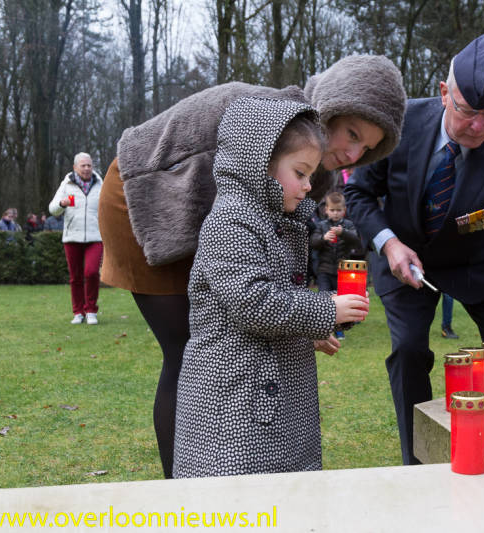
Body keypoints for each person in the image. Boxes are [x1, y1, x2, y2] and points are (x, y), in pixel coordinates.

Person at [98, 55, 406, 479]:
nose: (353, 153)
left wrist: (304, 322)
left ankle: (245, 465)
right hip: (143, 199)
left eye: (367, 148)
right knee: (192, 349)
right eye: (352, 133)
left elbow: (271, 263)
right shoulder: (256, 111)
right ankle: (189, 484)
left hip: (215, 226)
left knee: (238, 338)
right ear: (331, 106)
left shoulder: (310, 169)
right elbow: (245, 284)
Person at [345, 33, 484, 465]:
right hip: (404, 259)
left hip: (478, 263)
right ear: (445, 94)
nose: (479, 127)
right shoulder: (399, 125)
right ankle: (418, 460)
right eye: (468, 112)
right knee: (409, 351)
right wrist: (389, 245)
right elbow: (359, 196)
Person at [173, 98, 369, 478]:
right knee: (235, 500)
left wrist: (305, 335)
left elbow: (268, 308)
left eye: (311, 174)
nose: (309, 186)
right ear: (259, 163)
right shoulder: (231, 221)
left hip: (261, 394)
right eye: (300, 172)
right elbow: (254, 303)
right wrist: (325, 311)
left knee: (278, 496)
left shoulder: (268, 219)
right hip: (231, 403)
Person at [48, 152, 104, 325]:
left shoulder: (100, 184)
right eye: (83, 165)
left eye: (89, 165)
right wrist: (61, 204)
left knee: (92, 272)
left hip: (95, 236)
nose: (87, 168)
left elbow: (108, 208)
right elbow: (52, 209)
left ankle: (91, 310)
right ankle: (78, 312)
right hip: (72, 236)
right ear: (75, 167)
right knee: (76, 277)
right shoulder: (67, 185)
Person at [310, 191, 363, 340]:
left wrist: (343, 233)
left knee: (342, 300)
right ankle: (324, 331)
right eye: (332, 210)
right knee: (325, 300)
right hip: (324, 270)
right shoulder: (321, 226)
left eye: (338, 210)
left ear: (344, 211)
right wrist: (323, 238)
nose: (335, 213)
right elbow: (313, 243)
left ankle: (339, 329)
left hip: (343, 271)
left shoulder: (348, 225)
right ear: (326, 210)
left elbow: (356, 241)